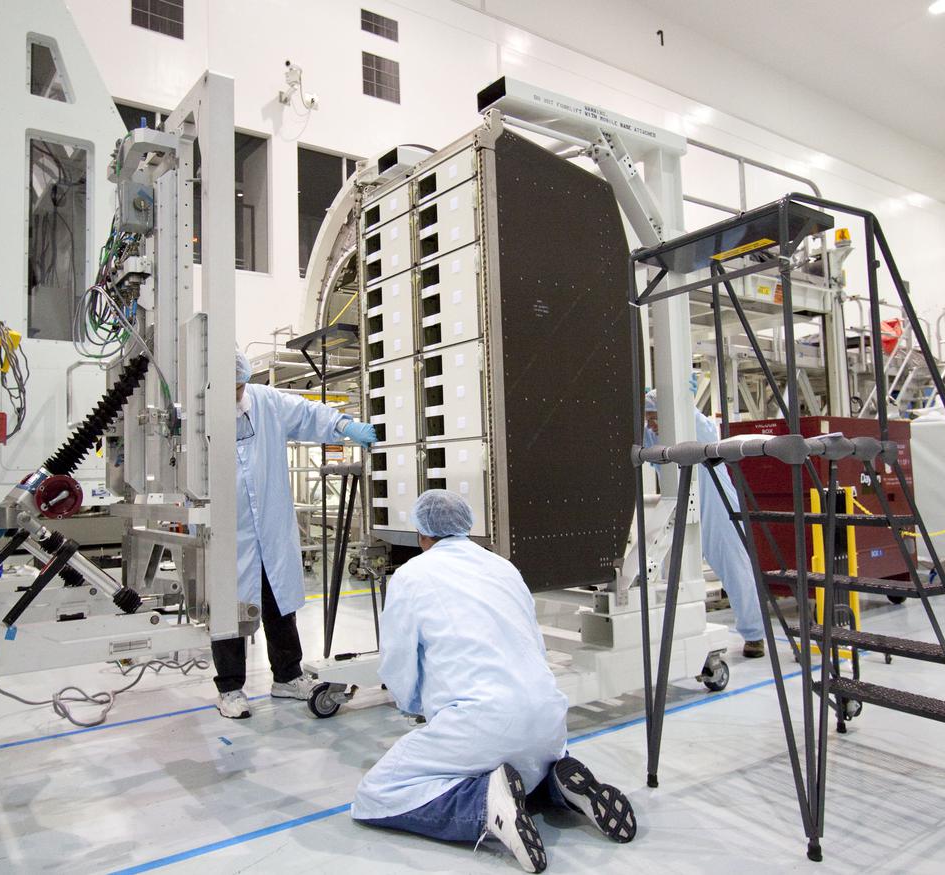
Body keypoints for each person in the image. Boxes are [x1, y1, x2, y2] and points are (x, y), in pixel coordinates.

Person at [352, 490, 636, 873]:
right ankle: (559, 786)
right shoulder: (504, 568)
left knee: (376, 794)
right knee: (520, 769)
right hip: (549, 726)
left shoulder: (411, 575)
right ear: (468, 527)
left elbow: (398, 659)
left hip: (480, 726)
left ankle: (483, 808)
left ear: (421, 535)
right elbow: (534, 644)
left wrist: (412, 706)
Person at [214, 347, 379, 718]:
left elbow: (308, 413)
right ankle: (229, 688)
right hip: (227, 530)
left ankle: (287, 676)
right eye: (228, 389)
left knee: (278, 602)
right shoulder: (202, 414)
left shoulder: (267, 402)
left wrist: (345, 427)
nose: (236, 396)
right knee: (230, 608)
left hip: (270, 526)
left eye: (239, 387)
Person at [645, 390, 766, 658]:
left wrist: (682, 399)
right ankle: (675, 634)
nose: (650, 424)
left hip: (717, 506)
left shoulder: (695, 426)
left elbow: (708, 434)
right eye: (647, 419)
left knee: (735, 569)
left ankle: (754, 635)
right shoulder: (652, 436)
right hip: (679, 506)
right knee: (670, 575)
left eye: (654, 417)